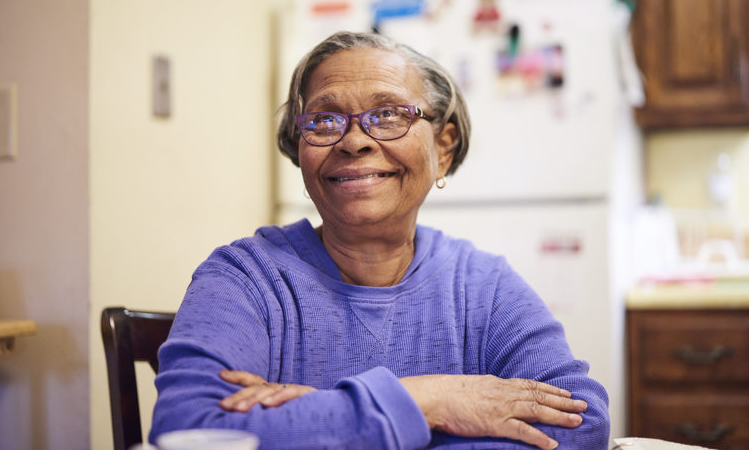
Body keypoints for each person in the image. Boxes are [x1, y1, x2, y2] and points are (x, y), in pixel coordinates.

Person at [149, 31, 610, 449]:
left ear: (443, 148)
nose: (353, 141)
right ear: (300, 148)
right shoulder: (245, 278)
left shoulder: (482, 286)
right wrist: (432, 400)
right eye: (325, 120)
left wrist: (325, 416)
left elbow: (580, 420)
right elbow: (187, 431)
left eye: (388, 114)